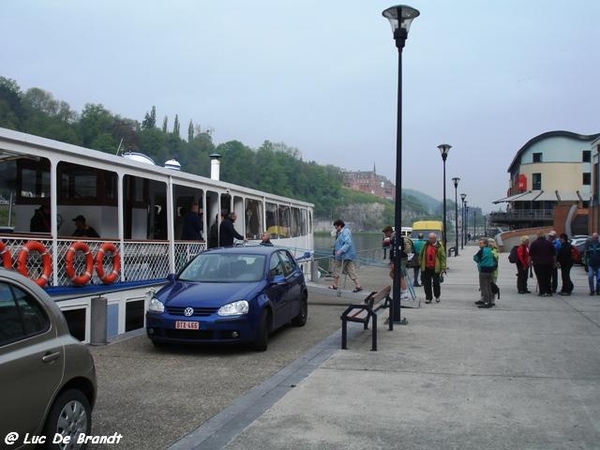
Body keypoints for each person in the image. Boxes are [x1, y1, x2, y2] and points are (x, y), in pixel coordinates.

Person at [329, 219, 362, 292]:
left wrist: (340, 251)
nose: (336, 229)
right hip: (348, 256)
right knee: (351, 270)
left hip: (343, 256)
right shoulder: (344, 232)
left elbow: (348, 243)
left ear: (340, 226)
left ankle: (335, 285)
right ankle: (358, 285)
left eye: (336, 227)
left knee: (336, 269)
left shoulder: (345, 232)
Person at [419, 232, 446, 304]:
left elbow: (443, 257)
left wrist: (443, 267)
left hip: (435, 268)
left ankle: (437, 296)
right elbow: (421, 255)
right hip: (426, 267)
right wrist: (420, 264)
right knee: (427, 284)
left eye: (431, 238)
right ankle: (428, 298)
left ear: (435, 238)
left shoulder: (440, 246)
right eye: (429, 238)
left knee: (436, 283)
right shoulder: (425, 245)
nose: (430, 239)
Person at [382, 225, 408, 299]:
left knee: (400, 275)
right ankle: (401, 289)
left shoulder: (395, 238)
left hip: (400, 259)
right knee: (392, 274)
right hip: (398, 259)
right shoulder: (392, 238)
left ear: (389, 232)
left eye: (385, 233)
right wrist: (391, 261)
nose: (385, 235)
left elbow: (395, 251)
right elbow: (391, 250)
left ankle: (404, 292)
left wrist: (393, 262)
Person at [529, 230, 556, 297]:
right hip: (548, 263)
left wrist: (529, 262)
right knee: (548, 277)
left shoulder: (534, 243)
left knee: (540, 277)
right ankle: (549, 291)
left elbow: (530, 255)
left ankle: (542, 291)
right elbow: (554, 254)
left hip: (538, 263)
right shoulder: (549, 243)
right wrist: (554, 263)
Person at [473, 238, 496, 308]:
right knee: (488, 286)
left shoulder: (482, 251)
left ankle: (485, 302)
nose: (479, 244)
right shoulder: (489, 250)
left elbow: (475, 258)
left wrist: (480, 262)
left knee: (483, 287)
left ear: (485, 244)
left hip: (483, 270)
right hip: (490, 270)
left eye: (481, 243)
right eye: (479, 243)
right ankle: (489, 301)